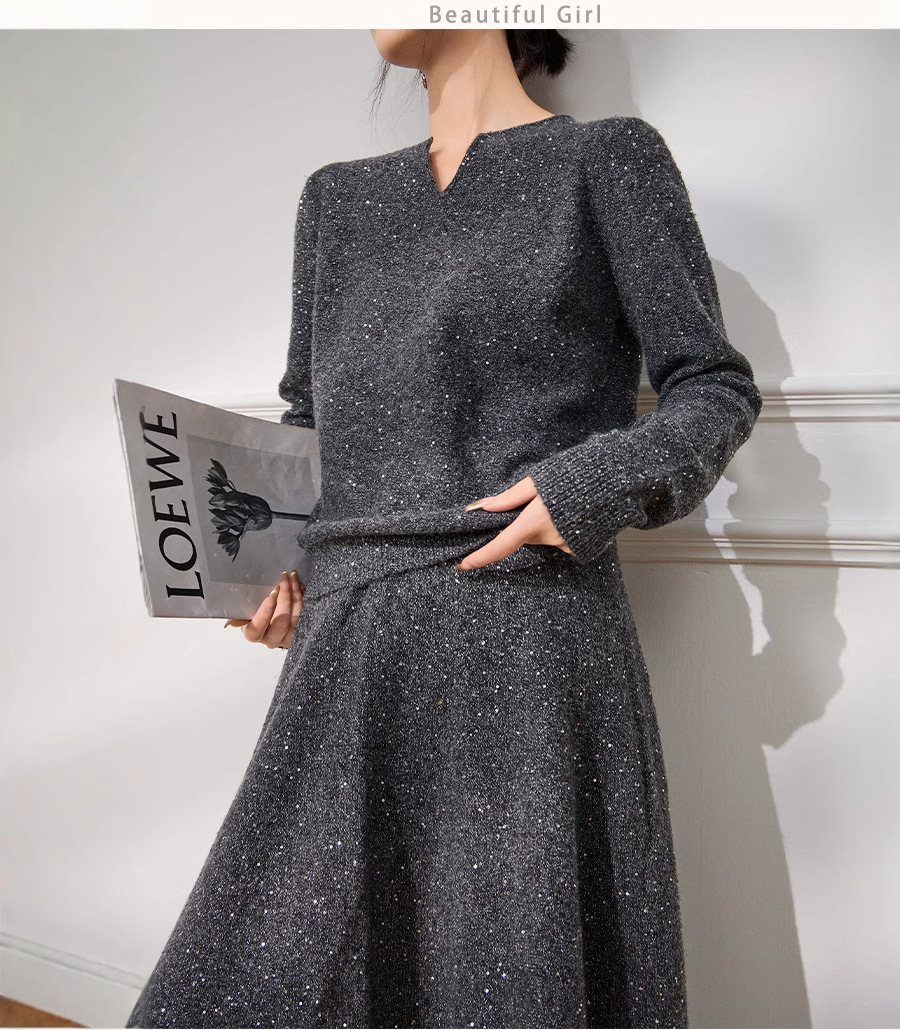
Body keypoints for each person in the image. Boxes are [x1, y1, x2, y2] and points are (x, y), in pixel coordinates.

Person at [126, 27, 763, 1030]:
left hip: (529, 641)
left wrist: (588, 484)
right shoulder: (336, 201)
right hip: (352, 645)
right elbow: (311, 421)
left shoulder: (604, 160)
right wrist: (274, 574)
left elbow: (712, 385)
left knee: (503, 980)